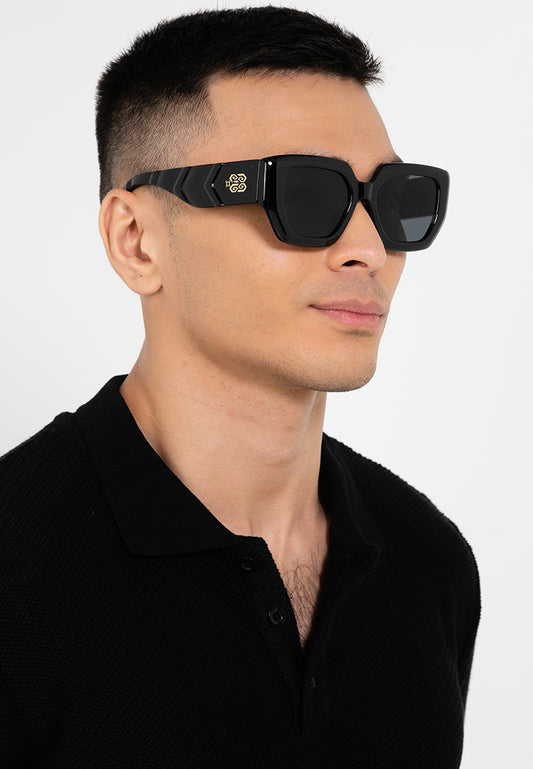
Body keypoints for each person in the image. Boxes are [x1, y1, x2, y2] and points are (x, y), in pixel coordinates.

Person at [0, 6, 480, 768]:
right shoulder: (16, 568)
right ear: (136, 241)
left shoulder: (429, 566)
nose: (369, 248)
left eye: (395, 199)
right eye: (305, 195)